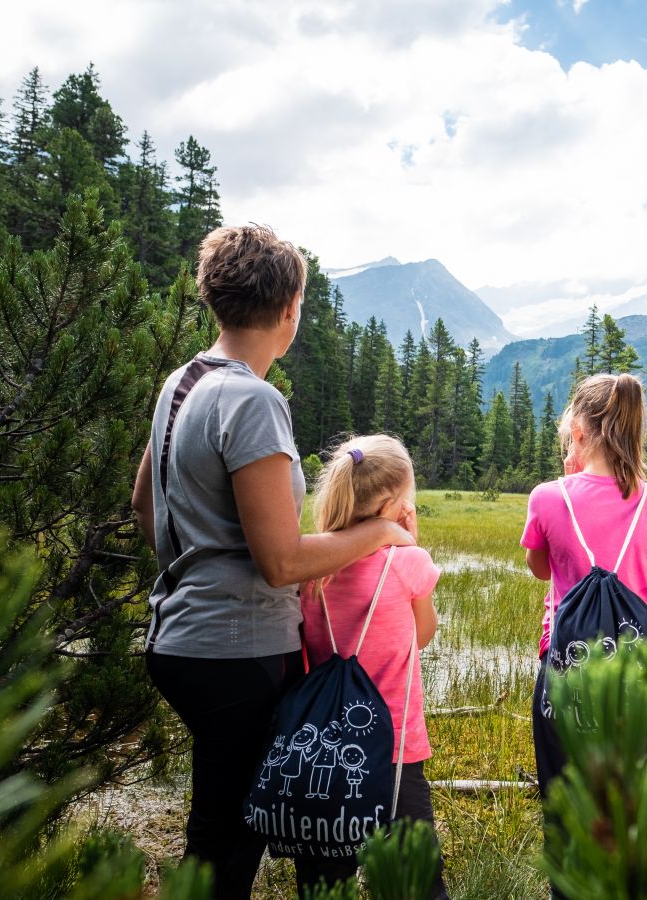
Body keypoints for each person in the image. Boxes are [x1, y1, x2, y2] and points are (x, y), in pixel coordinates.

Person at [130, 225, 411, 900]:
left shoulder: (182, 382)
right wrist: (379, 533)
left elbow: (144, 504)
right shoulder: (253, 399)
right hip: (239, 652)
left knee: (219, 825)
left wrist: (193, 567)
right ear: (289, 308)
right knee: (229, 839)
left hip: (178, 640)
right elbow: (283, 562)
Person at [520, 373, 647, 888]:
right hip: (633, 686)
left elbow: (540, 569)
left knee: (565, 808)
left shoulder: (549, 498)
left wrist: (568, 483)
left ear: (578, 431)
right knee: (625, 811)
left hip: (564, 681)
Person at [295, 434, 450, 898]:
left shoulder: (311, 570)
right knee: (416, 874)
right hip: (395, 749)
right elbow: (421, 636)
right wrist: (412, 546)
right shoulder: (406, 563)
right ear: (395, 506)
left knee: (326, 875)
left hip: (324, 749)